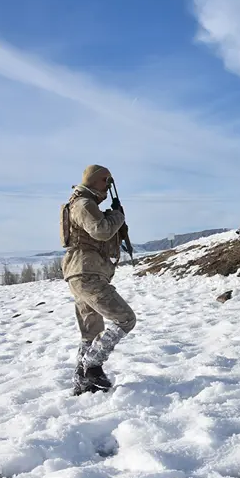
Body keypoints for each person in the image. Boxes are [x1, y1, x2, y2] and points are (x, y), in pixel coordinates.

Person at [60, 165, 137, 395]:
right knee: (125, 318)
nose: (109, 186)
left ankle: (82, 382)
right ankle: (92, 365)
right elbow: (101, 231)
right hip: (87, 273)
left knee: (90, 331)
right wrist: (117, 216)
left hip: (82, 272)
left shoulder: (82, 203)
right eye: (107, 181)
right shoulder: (84, 204)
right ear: (97, 180)